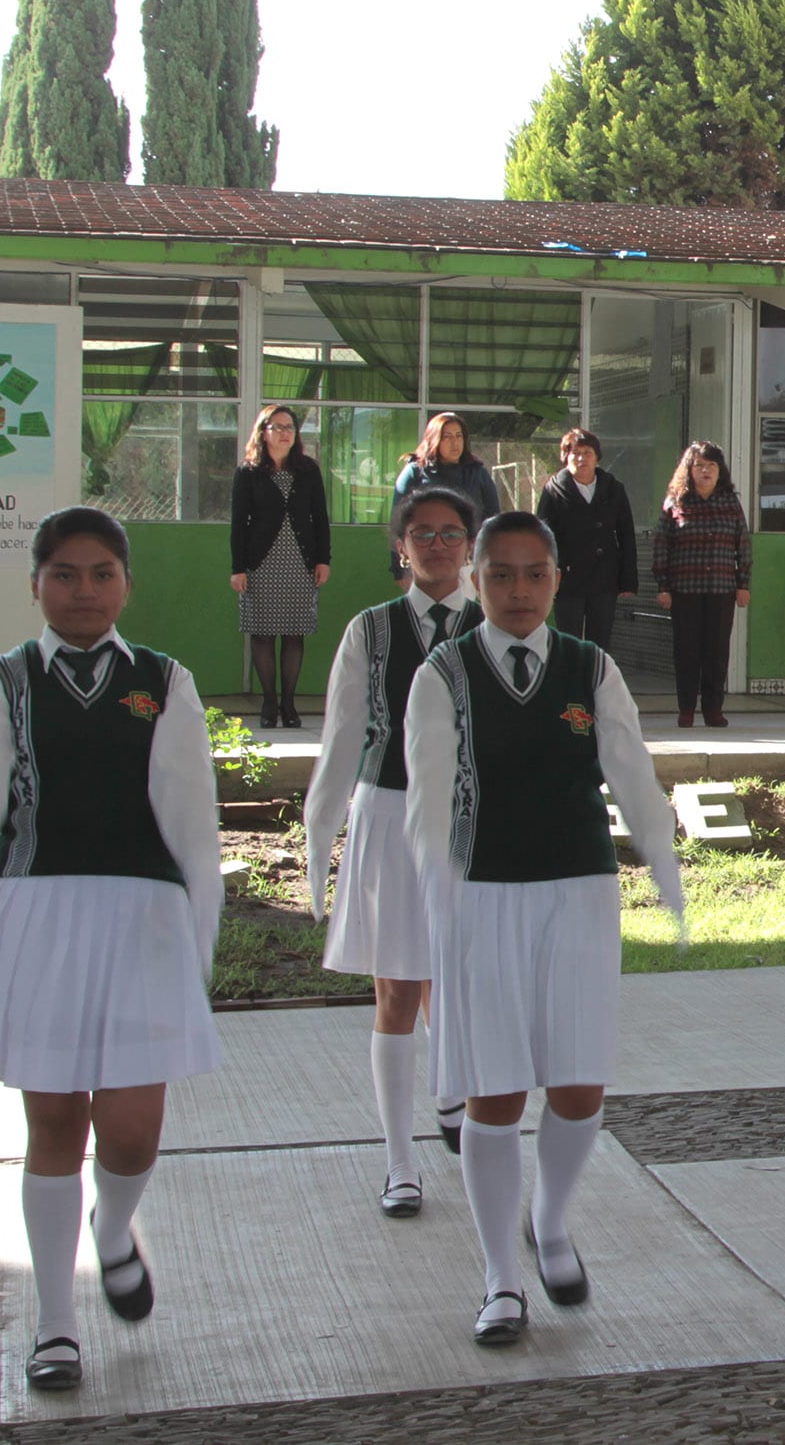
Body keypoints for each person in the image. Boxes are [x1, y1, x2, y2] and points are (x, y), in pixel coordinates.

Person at [0, 508, 224, 1392]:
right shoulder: (3, 681)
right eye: (64, 573)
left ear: (126, 584)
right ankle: (53, 1323)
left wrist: (197, 952)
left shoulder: (164, 681)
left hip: (141, 923)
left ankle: (114, 1228)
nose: (84, 590)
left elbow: (194, 832)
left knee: (131, 1132)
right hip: (36, 920)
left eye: (102, 573)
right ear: (36, 584)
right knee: (54, 1121)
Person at [404, 511, 685, 1346]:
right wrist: (439, 896)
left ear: (558, 579)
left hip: (579, 891)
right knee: (494, 1092)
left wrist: (664, 870)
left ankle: (550, 1220)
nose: (518, 591)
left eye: (534, 574)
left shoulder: (591, 669)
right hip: (482, 893)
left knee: (577, 1086)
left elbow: (633, 774)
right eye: (500, 575)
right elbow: (427, 804)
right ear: (476, 580)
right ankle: (499, 1278)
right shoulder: (442, 674)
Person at [302, 488, 484, 1218]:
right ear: (400, 547)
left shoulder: (499, 621)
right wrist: (320, 838)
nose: (437, 544)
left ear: (469, 545)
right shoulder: (370, 632)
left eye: (450, 532)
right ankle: (399, 1162)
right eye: (422, 533)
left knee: (457, 983)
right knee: (398, 988)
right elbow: (343, 735)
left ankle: (452, 1097)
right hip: (388, 814)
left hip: (474, 824)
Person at [229, 403, 332, 729]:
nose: (285, 433)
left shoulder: (308, 470)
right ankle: (268, 702)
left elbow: (320, 518)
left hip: (300, 563)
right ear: (264, 432)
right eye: (277, 427)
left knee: (293, 634)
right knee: (261, 635)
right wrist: (238, 567)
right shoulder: (248, 472)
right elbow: (238, 523)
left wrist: (323, 559)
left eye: (290, 427)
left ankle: (289, 703)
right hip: (261, 563)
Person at [651, 441, 751, 729]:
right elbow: (661, 546)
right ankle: (686, 709)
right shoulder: (675, 502)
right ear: (689, 470)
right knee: (687, 651)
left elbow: (742, 545)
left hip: (722, 589)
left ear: (720, 472)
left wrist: (743, 583)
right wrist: (663, 586)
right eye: (699, 465)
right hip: (684, 589)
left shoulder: (730, 503)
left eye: (711, 466)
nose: (705, 471)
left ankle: (713, 710)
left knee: (716, 652)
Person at [534, 428, 636, 652]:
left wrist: (628, 578)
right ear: (566, 458)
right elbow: (543, 536)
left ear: (597, 456)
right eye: (575, 453)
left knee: (599, 643)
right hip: (568, 578)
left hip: (604, 576)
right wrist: (547, 575)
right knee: (567, 641)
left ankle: (596, 685)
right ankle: (570, 685)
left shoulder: (613, 488)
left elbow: (626, 533)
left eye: (587, 452)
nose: (581, 459)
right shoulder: (553, 490)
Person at [394, 411, 503, 526]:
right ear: (434, 440)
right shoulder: (415, 472)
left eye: (458, 435)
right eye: (447, 437)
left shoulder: (478, 473)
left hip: (469, 541)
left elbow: (493, 519)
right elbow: (398, 521)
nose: (454, 442)